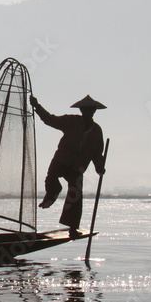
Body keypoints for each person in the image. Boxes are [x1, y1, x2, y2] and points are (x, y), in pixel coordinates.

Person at [29, 94, 107, 235]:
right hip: (62, 160)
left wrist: (99, 167)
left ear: (94, 111)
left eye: (90, 110)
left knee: (75, 195)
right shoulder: (71, 121)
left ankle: (72, 228)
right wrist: (37, 106)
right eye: (85, 110)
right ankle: (51, 195)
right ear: (81, 111)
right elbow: (50, 120)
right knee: (51, 178)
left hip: (78, 167)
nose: (88, 112)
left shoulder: (96, 131)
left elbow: (97, 153)